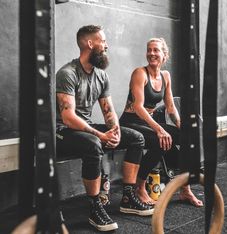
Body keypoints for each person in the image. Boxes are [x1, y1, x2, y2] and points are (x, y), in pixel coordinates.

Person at [56, 25, 154, 232]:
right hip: (63, 131)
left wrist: (115, 132)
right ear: (90, 44)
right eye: (103, 41)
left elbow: (108, 111)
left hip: (86, 128)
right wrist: (100, 134)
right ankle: (95, 206)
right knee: (93, 143)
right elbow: (68, 117)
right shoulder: (67, 73)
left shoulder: (101, 75)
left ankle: (128, 195)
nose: (107, 45)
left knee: (136, 138)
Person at [119, 37, 203, 207]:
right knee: (161, 140)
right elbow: (138, 107)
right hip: (131, 121)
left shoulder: (165, 76)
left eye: (155, 50)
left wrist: (180, 124)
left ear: (164, 54)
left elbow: (170, 106)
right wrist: (159, 129)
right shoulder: (140, 73)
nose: (151, 53)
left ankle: (184, 189)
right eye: (149, 50)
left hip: (147, 122)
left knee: (183, 137)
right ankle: (139, 187)